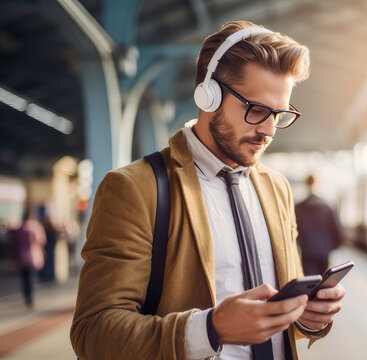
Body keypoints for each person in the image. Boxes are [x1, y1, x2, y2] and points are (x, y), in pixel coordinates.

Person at [71, 20, 345, 360]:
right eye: (257, 110)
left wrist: (308, 318)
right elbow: (93, 332)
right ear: (208, 95)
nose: (269, 131)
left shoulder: (277, 189)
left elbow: (280, 313)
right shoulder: (135, 189)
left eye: (280, 114)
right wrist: (211, 329)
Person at [295, 175, 343, 275]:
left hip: (307, 252)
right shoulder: (327, 207)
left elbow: (294, 231)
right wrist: (330, 246)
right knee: (323, 281)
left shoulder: (298, 208)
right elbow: (337, 231)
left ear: (306, 185)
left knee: (310, 281)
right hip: (324, 252)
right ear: (318, 185)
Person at [8, 207, 46, 307]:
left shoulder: (19, 229)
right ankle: (31, 296)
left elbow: (13, 242)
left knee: (24, 278)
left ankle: (26, 296)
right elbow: (42, 240)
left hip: (21, 256)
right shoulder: (36, 227)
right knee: (31, 277)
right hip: (34, 255)